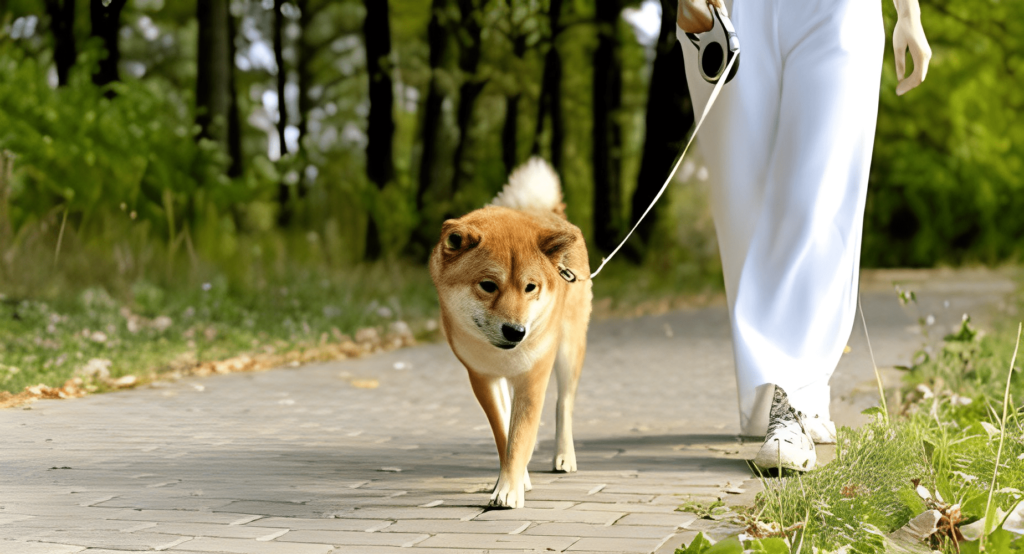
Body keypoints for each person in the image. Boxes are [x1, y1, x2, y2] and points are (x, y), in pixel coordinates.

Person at [675, 0, 931, 471]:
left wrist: (908, 12)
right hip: (731, 10)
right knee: (741, 206)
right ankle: (787, 389)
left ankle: (787, 398)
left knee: (815, 195)